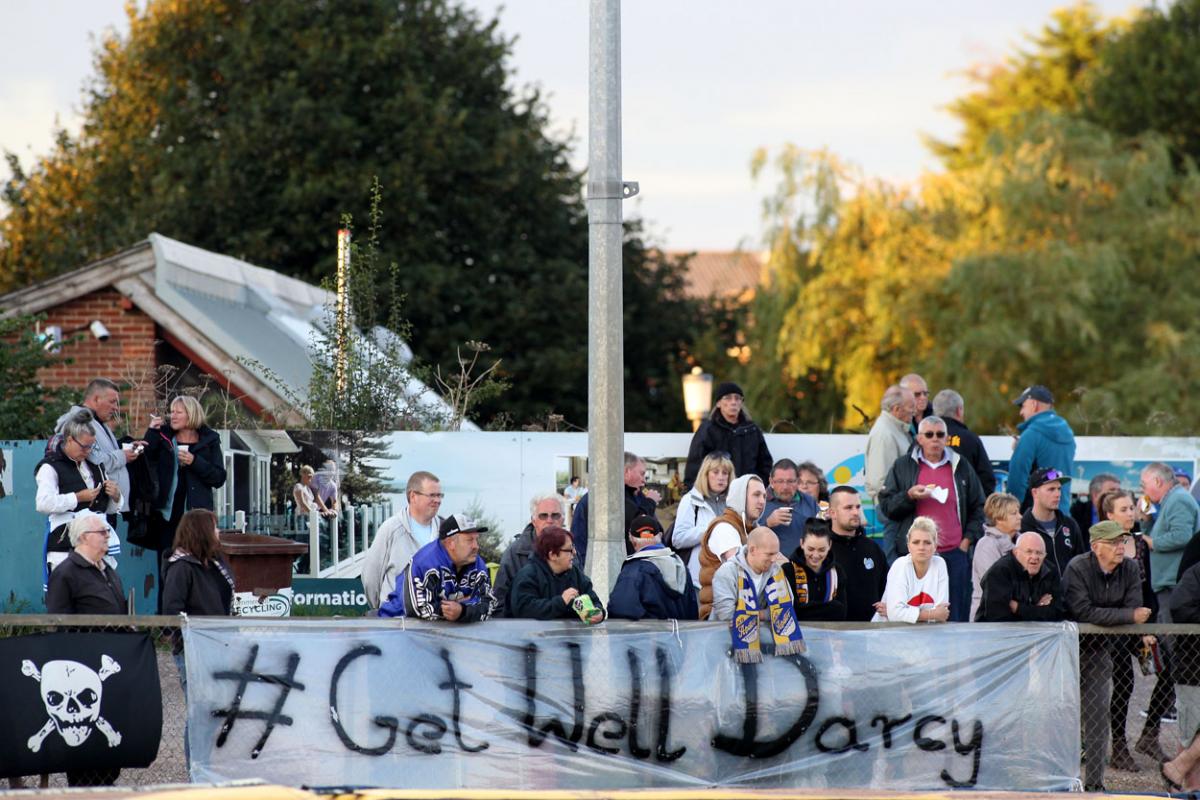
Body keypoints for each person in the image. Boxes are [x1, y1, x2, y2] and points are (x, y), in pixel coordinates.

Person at [1063, 520, 1154, 792]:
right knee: (1061, 714)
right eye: (1113, 542)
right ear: (1095, 547)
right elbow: (1084, 613)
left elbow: (1134, 608)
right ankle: (1057, 781)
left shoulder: (1130, 567)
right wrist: (1126, 616)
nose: (1120, 547)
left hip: (1101, 650)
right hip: (1067, 650)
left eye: (1122, 541)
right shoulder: (1077, 568)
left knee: (1098, 717)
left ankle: (1094, 784)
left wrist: (1124, 616)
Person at [44, 513, 128, 787]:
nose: (107, 535)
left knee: (112, 742)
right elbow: (58, 622)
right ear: (83, 537)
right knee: (86, 748)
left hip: (112, 664)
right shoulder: (66, 573)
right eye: (102, 531)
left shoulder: (108, 570)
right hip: (81, 669)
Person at [877, 415, 985, 622]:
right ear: (919, 438)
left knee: (954, 616)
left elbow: (978, 505)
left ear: (947, 438)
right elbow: (887, 506)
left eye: (940, 435)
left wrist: (966, 541)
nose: (935, 439)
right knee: (912, 616)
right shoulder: (903, 466)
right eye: (929, 434)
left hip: (955, 553)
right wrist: (909, 496)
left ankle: (955, 655)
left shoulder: (961, 465)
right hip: (917, 556)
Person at [160, 508, 234, 769]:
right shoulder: (181, 567)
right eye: (214, 527)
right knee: (199, 713)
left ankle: (210, 766)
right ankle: (198, 769)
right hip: (194, 652)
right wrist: (189, 638)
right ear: (201, 531)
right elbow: (171, 610)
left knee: (215, 712)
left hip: (218, 647)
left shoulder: (214, 563)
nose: (218, 532)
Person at [1139, 461, 1200, 760]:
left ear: (1158, 482)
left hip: (1177, 588)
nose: (1141, 489)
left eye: (1144, 484)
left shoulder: (1180, 500)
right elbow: (1155, 529)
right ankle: (1155, 732)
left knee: (1175, 655)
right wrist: (1146, 517)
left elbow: (1183, 535)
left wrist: (1152, 541)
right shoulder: (1165, 502)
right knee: (1169, 658)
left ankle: (1178, 731)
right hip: (1165, 585)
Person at [1096, 489, 1159, 771]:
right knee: (1124, 681)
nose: (1130, 513)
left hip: (1140, 619)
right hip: (1115, 623)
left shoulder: (1140, 544)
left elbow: (1146, 589)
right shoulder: (1100, 545)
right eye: (1123, 509)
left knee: (1166, 667)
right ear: (1109, 515)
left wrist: (1148, 624)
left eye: (1132, 508)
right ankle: (1118, 745)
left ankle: (1150, 733)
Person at [35, 411, 123, 574]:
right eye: (84, 446)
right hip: (65, 544)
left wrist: (116, 496)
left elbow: (108, 508)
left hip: (96, 545)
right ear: (69, 440)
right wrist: (77, 498)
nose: (88, 451)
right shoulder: (50, 467)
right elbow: (43, 503)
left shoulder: (95, 465)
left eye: (92, 446)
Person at [54, 378, 140, 527]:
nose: (116, 408)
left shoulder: (96, 421)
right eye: (112, 402)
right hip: (91, 508)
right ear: (96, 399)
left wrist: (125, 447)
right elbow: (94, 461)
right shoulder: (80, 422)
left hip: (106, 506)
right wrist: (123, 456)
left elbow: (102, 452)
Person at [379, 514, 496, 622]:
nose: (476, 546)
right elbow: (418, 610)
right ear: (451, 543)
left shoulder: (477, 564)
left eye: (476, 539)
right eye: (470, 540)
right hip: (395, 627)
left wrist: (462, 611)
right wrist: (458, 608)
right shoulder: (425, 563)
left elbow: (489, 604)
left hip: (446, 635)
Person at [360, 470, 444, 609]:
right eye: (432, 495)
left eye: (440, 495)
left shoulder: (445, 531)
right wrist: (383, 608)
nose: (438, 500)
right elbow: (370, 578)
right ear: (413, 496)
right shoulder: (391, 529)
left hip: (435, 623)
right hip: (396, 623)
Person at [570, 451, 660, 566]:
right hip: (605, 569)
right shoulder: (611, 498)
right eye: (642, 474)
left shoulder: (631, 496)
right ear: (626, 472)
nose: (644, 480)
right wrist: (650, 502)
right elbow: (639, 525)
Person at [697, 474, 766, 620]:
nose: (762, 501)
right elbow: (740, 568)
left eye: (764, 496)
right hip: (718, 619)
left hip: (746, 615)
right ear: (739, 497)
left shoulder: (754, 529)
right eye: (756, 495)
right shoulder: (724, 527)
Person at [608, 515, 698, 621]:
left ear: (631, 538)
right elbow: (692, 614)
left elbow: (621, 615)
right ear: (659, 535)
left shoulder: (633, 572)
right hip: (680, 636)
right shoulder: (682, 568)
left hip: (647, 637)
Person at [683, 381, 772, 488]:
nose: (733, 402)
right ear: (718, 403)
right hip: (716, 494)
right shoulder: (708, 430)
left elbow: (765, 464)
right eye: (728, 398)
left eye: (738, 398)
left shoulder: (752, 430)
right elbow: (695, 464)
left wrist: (757, 486)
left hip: (747, 492)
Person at [509, 526, 605, 623]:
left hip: (571, 637)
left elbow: (594, 600)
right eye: (569, 550)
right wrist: (561, 602)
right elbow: (524, 610)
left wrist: (599, 612)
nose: (575, 553)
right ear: (553, 555)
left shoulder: (575, 574)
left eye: (574, 547)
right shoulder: (527, 576)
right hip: (533, 637)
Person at [492, 493, 566, 617]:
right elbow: (499, 605)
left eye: (555, 515)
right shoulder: (514, 553)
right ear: (533, 521)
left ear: (562, 520)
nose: (549, 521)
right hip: (524, 630)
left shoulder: (570, 551)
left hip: (563, 631)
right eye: (543, 516)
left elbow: (582, 594)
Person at [864, 385, 916, 562]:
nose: (914, 411)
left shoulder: (894, 429)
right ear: (896, 409)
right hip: (892, 510)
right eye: (911, 406)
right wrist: (895, 504)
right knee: (895, 565)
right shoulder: (885, 435)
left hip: (898, 507)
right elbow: (881, 481)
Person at [1161, 560, 1200, 791]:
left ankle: (1177, 770)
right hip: (1193, 667)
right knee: (1190, 733)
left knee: (1192, 735)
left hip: (1191, 665)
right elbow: (1179, 606)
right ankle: (1189, 789)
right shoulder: (1195, 574)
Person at [1007, 384, 1076, 513]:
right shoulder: (1069, 434)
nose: (1021, 412)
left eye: (1023, 406)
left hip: (1036, 518)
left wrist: (1010, 513)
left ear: (1034, 405)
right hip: (1063, 515)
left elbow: (1017, 480)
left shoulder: (1031, 435)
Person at [670, 452, 733, 586]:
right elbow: (678, 539)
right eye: (715, 472)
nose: (721, 477)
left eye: (725, 473)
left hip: (730, 580)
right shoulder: (690, 500)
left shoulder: (734, 502)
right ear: (705, 475)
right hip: (698, 581)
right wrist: (712, 529)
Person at [827, 486, 888, 621]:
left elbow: (887, 589)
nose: (855, 512)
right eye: (848, 507)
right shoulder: (821, 550)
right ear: (832, 513)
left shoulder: (873, 548)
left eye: (858, 507)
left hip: (871, 633)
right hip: (833, 634)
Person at [872, 517, 950, 623]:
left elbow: (941, 613)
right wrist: (931, 614)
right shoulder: (900, 565)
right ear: (908, 546)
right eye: (916, 542)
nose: (921, 547)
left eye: (927, 542)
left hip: (925, 634)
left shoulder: (940, 564)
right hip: (889, 633)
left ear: (935, 546)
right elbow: (895, 615)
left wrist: (903, 612)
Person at [975, 532, 1064, 622]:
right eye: (1029, 552)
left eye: (1039, 553)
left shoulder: (1050, 571)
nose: (1035, 557)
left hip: (1039, 634)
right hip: (997, 634)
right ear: (1016, 552)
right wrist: (1037, 609)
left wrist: (1017, 608)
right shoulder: (1000, 572)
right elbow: (999, 617)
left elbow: (1057, 613)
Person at [1020, 467, 1086, 579]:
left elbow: (1082, 565)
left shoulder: (1070, 524)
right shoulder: (1022, 528)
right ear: (1035, 492)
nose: (1058, 494)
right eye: (1051, 489)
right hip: (1040, 596)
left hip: (1071, 595)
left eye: (1059, 489)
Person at [710, 526, 786, 621]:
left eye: (776, 554)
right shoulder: (727, 572)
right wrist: (763, 614)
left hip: (764, 634)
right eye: (769, 554)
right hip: (726, 635)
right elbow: (727, 616)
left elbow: (785, 610)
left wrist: (751, 615)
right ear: (752, 550)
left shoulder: (776, 570)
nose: (774, 560)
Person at [932, 389, 996, 495]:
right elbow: (987, 479)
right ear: (959, 410)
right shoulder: (970, 439)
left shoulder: (921, 440)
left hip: (928, 506)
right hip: (965, 506)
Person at [969, 492, 1021, 620]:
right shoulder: (986, 545)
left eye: (1018, 512)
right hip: (988, 619)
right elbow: (994, 585)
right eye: (1014, 513)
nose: (1020, 516)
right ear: (998, 518)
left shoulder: (1024, 542)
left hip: (1017, 617)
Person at [783, 519, 846, 621]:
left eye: (821, 550)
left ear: (829, 545)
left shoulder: (837, 571)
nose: (816, 555)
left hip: (830, 635)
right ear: (802, 543)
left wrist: (806, 609)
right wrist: (830, 607)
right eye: (810, 549)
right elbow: (791, 611)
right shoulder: (788, 570)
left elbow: (841, 612)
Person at [758, 458, 819, 558]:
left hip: (805, 565)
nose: (785, 487)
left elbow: (821, 533)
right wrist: (767, 523)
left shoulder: (808, 501)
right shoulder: (760, 502)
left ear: (798, 482)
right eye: (780, 481)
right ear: (771, 482)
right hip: (772, 567)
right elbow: (747, 537)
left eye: (790, 481)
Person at [1071, 473, 1121, 537]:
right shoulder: (1077, 513)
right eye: (1112, 490)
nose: (1118, 495)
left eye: (1119, 491)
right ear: (1095, 495)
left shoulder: (1124, 513)